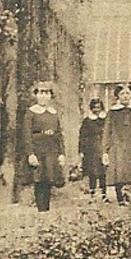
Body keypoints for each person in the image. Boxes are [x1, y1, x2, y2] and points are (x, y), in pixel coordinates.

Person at [21, 81, 66, 212]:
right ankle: (41, 212)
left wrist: (61, 153)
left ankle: (46, 211)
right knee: (39, 181)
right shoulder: (31, 112)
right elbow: (26, 135)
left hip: (51, 149)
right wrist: (30, 154)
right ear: (36, 95)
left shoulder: (53, 113)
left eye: (46, 93)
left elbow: (59, 135)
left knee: (48, 181)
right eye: (40, 92)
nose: (43, 96)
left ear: (51, 95)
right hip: (38, 149)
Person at [103, 84, 131, 205]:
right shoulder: (112, 112)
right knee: (119, 173)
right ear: (117, 96)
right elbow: (107, 131)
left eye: (127, 93)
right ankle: (120, 198)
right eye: (122, 94)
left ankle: (128, 196)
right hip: (117, 146)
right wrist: (105, 150)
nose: (125, 96)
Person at [77, 97, 108, 200]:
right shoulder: (87, 121)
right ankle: (92, 194)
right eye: (95, 108)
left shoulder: (106, 120)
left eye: (99, 107)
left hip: (103, 148)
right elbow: (82, 136)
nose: (97, 110)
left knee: (103, 172)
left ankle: (104, 194)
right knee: (92, 173)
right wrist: (81, 150)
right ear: (91, 108)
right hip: (91, 149)